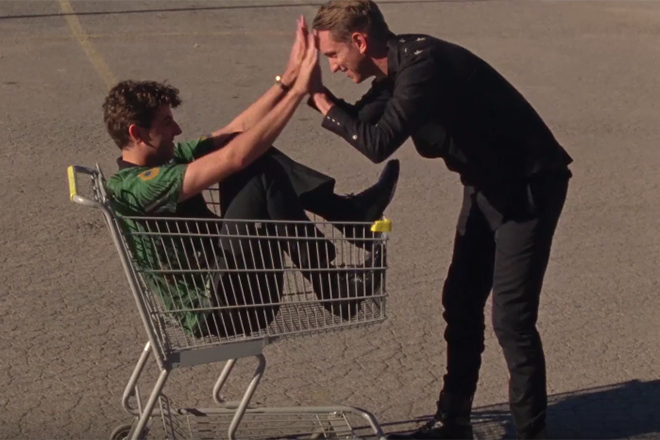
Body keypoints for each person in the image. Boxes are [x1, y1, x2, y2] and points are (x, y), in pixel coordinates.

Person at [306, 1, 573, 439]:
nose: (333, 66)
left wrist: (318, 96)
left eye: (333, 55)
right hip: (486, 185)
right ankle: (454, 421)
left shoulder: (422, 66)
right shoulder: (396, 73)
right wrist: (306, 91)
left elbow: (377, 143)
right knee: (461, 302)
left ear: (359, 41)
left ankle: (530, 432)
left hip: (529, 187)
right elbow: (360, 123)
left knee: (512, 320)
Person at [102, 19, 399, 339]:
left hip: (234, 282)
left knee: (249, 151)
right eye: (166, 123)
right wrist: (300, 92)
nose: (177, 130)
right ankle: (332, 276)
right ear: (137, 133)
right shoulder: (137, 187)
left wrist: (288, 79)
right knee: (256, 169)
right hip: (219, 308)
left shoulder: (164, 159)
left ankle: (344, 224)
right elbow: (236, 158)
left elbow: (235, 132)